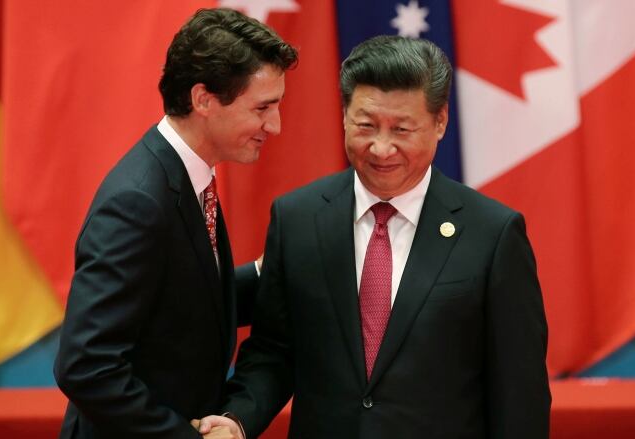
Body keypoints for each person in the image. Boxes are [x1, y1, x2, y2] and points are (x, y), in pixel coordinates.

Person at [198, 36, 550, 438]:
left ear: (440, 122)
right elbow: (274, 352)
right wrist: (237, 419)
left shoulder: (493, 234)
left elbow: (519, 393)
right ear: (345, 116)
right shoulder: (298, 218)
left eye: (402, 129)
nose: (382, 148)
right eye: (365, 126)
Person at [53, 8, 297, 439]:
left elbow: (183, 302)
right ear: (203, 99)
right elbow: (86, 366)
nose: (274, 126)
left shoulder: (187, 175)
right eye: (262, 108)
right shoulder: (138, 202)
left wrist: (270, 272)